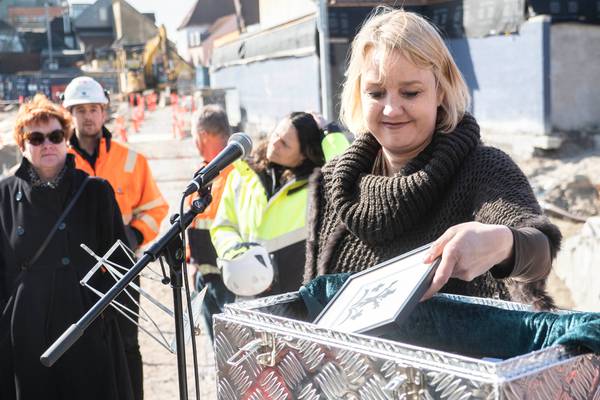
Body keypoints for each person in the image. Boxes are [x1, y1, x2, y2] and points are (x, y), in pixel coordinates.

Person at [303, 8, 562, 310]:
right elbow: (312, 298)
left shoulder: (482, 169)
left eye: (410, 93)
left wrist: (504, 242)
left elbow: (539, 251)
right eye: (376, 93)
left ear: (440, 91)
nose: (391, 109)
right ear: (358, 95)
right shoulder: (331, 182)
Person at [0, 95, 134, 399]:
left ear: (66, 140)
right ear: (22, 145)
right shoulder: (4, 196)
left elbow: (122, 265)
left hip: (83, 323)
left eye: (55, 136)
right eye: (36, 137)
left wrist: (112, 321)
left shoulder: (96, 191)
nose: (47, 144)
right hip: (25, 329)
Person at [63, 76, 167, 399]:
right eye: (80, 110)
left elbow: (155, 207)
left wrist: (134, 236)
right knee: (82, 345)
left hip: (123, 269)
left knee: (125, 344)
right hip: (75, 272)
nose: (88, 116)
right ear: (70, 114)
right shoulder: (59, 163)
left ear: (105, 111)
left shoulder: (132, 160)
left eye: (94, 108)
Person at [211, 112, 326, 298]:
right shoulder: (242, 174)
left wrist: (330, 132)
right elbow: (223, 226)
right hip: (249, 293)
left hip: (299, 299)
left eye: (285, 144)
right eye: (276, 134)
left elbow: (344, 167)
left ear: (304, 155)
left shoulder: (319, 186)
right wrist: (236, 254)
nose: (275, 144)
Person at [186, 104, 235, 341]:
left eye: (194, 136)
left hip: (228, 280)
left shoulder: (234, 173)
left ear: (203, 135)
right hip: (207, 276)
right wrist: (191, 261)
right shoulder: (205, 173)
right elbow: (195, 223)